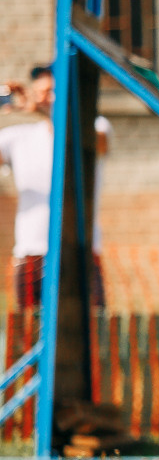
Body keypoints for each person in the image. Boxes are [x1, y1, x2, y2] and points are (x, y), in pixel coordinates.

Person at [0, 63, 111, 309]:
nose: (44, 99)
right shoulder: (17, 138)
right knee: (27, 332)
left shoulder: (97, 127)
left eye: (51, 92)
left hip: (80, 253)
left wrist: (45, 112)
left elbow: (94, 141)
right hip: (31, 252)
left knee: (92, 329)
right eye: (40, 93)